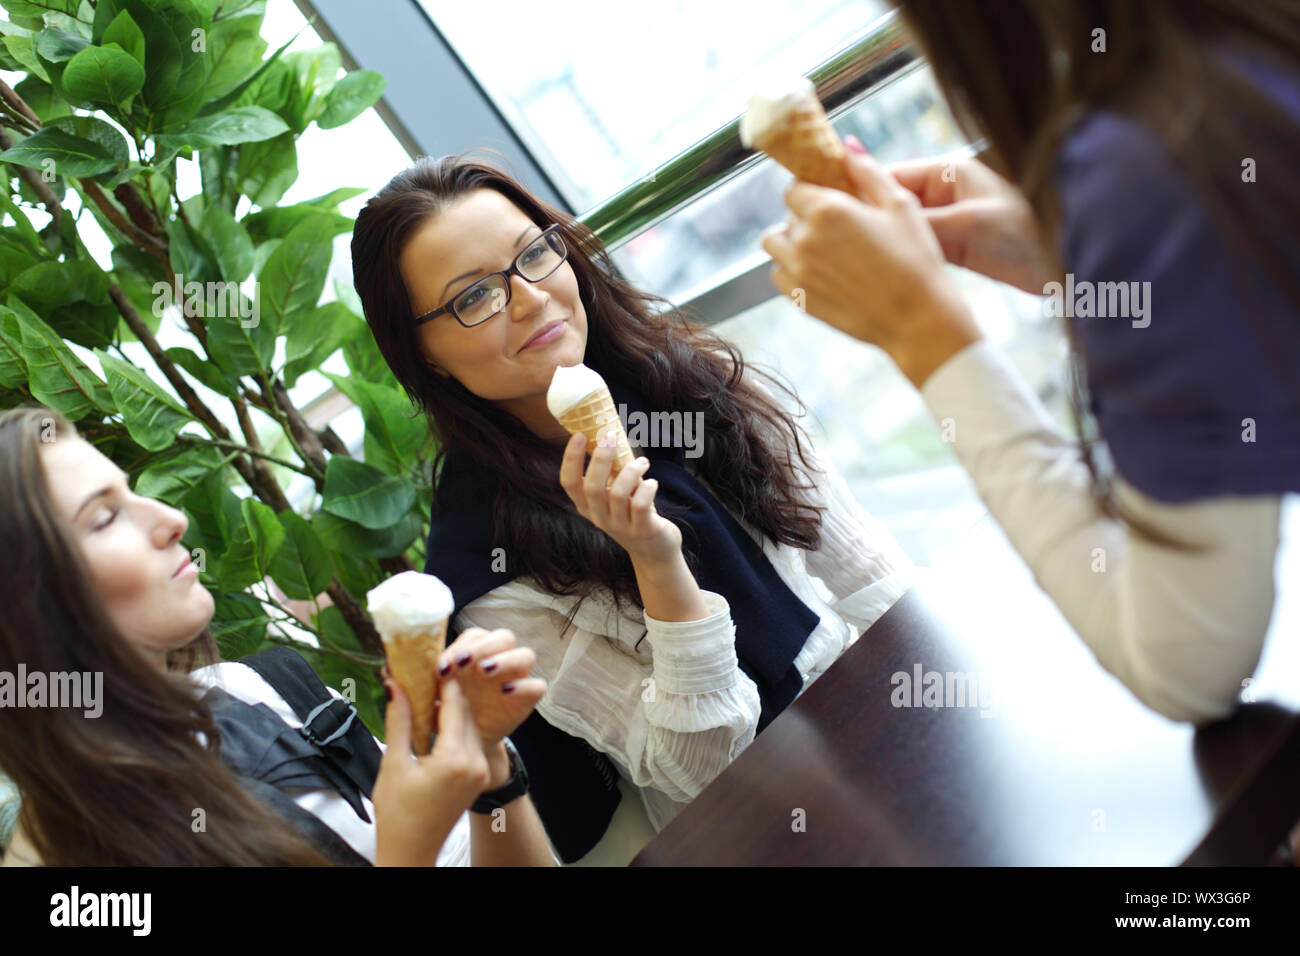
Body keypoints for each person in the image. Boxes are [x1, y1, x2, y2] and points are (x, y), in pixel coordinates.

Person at [350, 156, 914, 862]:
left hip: (880, 723)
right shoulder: (489, 573)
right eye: (473, 299)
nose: (528, 298)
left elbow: (868, 575)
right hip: (754, 829)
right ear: (425, 356)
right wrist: (655, 559)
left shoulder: (684, 380)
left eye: (533, 254)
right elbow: (704, 765)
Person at [763, 0, 1300, 730]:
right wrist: (1081, 263)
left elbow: (1190, 667)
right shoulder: (1235, 65)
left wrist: (926, 339)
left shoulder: (1139, 171)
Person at [0, 406, 556, 866]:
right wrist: (405, 850)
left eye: (130, 493)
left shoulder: (250, 687)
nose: (171, 518)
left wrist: (490, 773)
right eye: (103, 518)